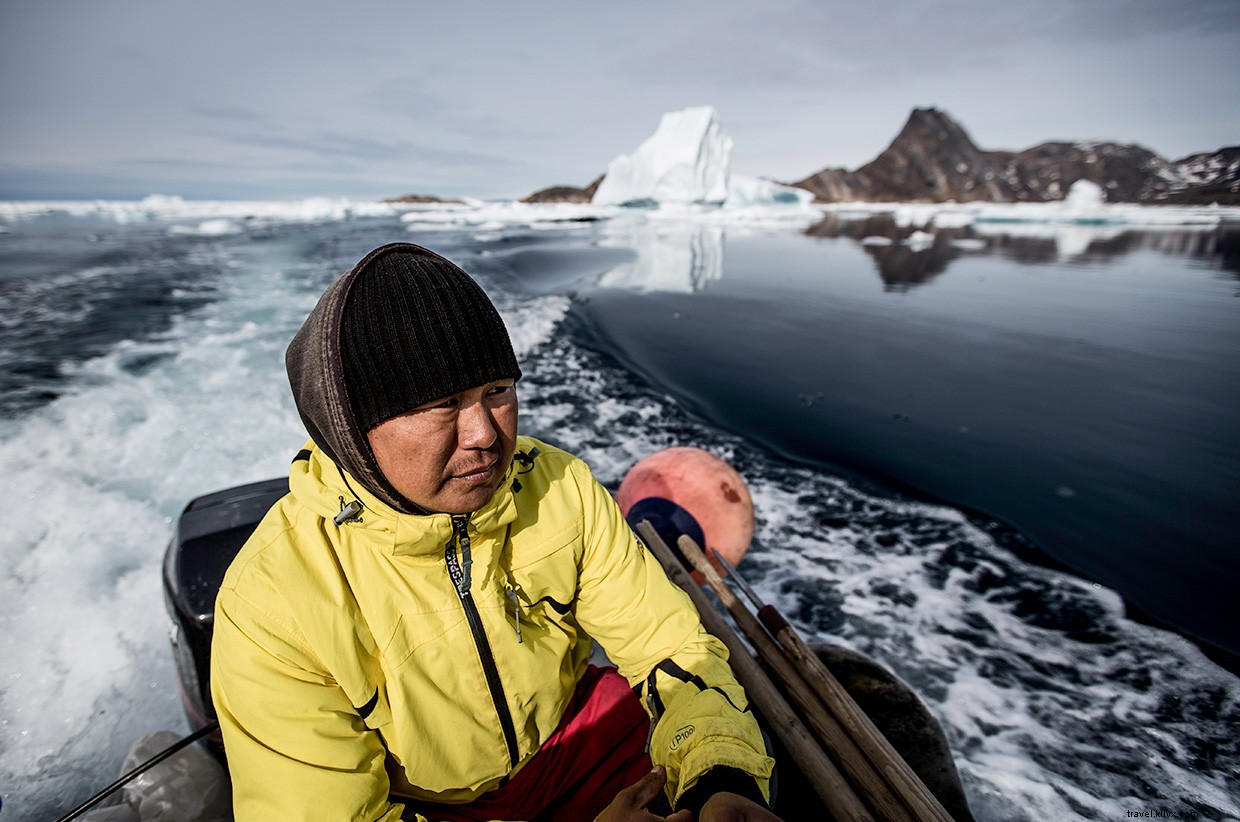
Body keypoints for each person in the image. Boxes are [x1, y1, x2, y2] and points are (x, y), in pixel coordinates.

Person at [210, 242, 780, 821]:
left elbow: (670, 647)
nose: (484, 433)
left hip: (570, 738)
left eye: (497, 391)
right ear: (352, 429)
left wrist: (721, 780)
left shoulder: (562, 487)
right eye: (443, 404)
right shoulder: (270, 604)